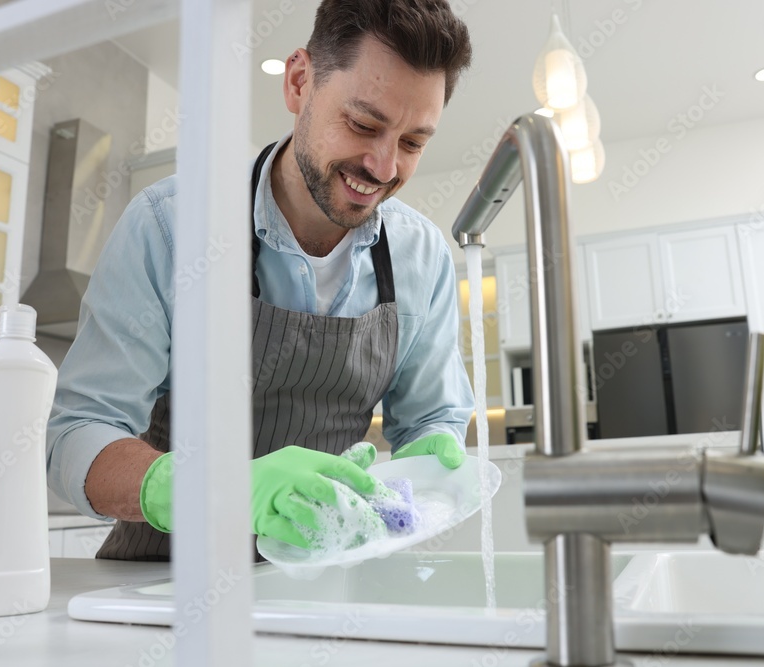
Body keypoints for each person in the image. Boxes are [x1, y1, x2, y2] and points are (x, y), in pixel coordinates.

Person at [46, 0, 475, 561]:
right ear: (299, 82)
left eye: (413, 142)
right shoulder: (171, 225)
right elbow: (76, 435)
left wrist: (428, 462)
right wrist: (219, 492)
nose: (384, 166)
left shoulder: (422, 257)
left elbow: (430, 422)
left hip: (324, 579)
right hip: (162, 584)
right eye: (363, 124)